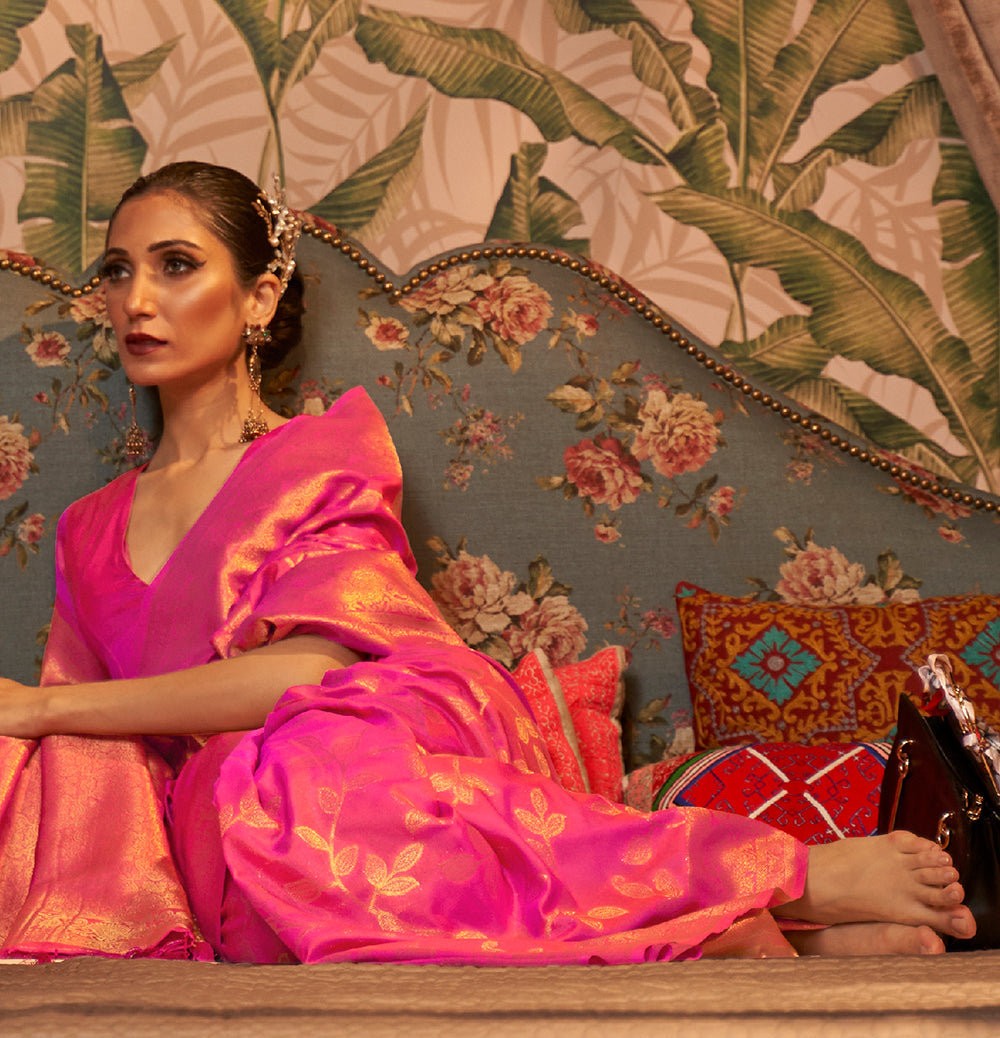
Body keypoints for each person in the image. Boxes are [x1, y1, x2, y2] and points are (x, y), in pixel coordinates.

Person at [0, 162, 977, 963]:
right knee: (244, 801)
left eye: (175, 265)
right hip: (224, 828)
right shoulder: (90, 527)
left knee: (299, 764)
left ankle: (785, 874)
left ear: (258, 297)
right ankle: (759, 929)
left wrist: (40, 707)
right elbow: (72, 754)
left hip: (356, 743)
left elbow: (308, 670)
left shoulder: (316, 455)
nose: (136, 300)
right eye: (117, 271)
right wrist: (47, 724)